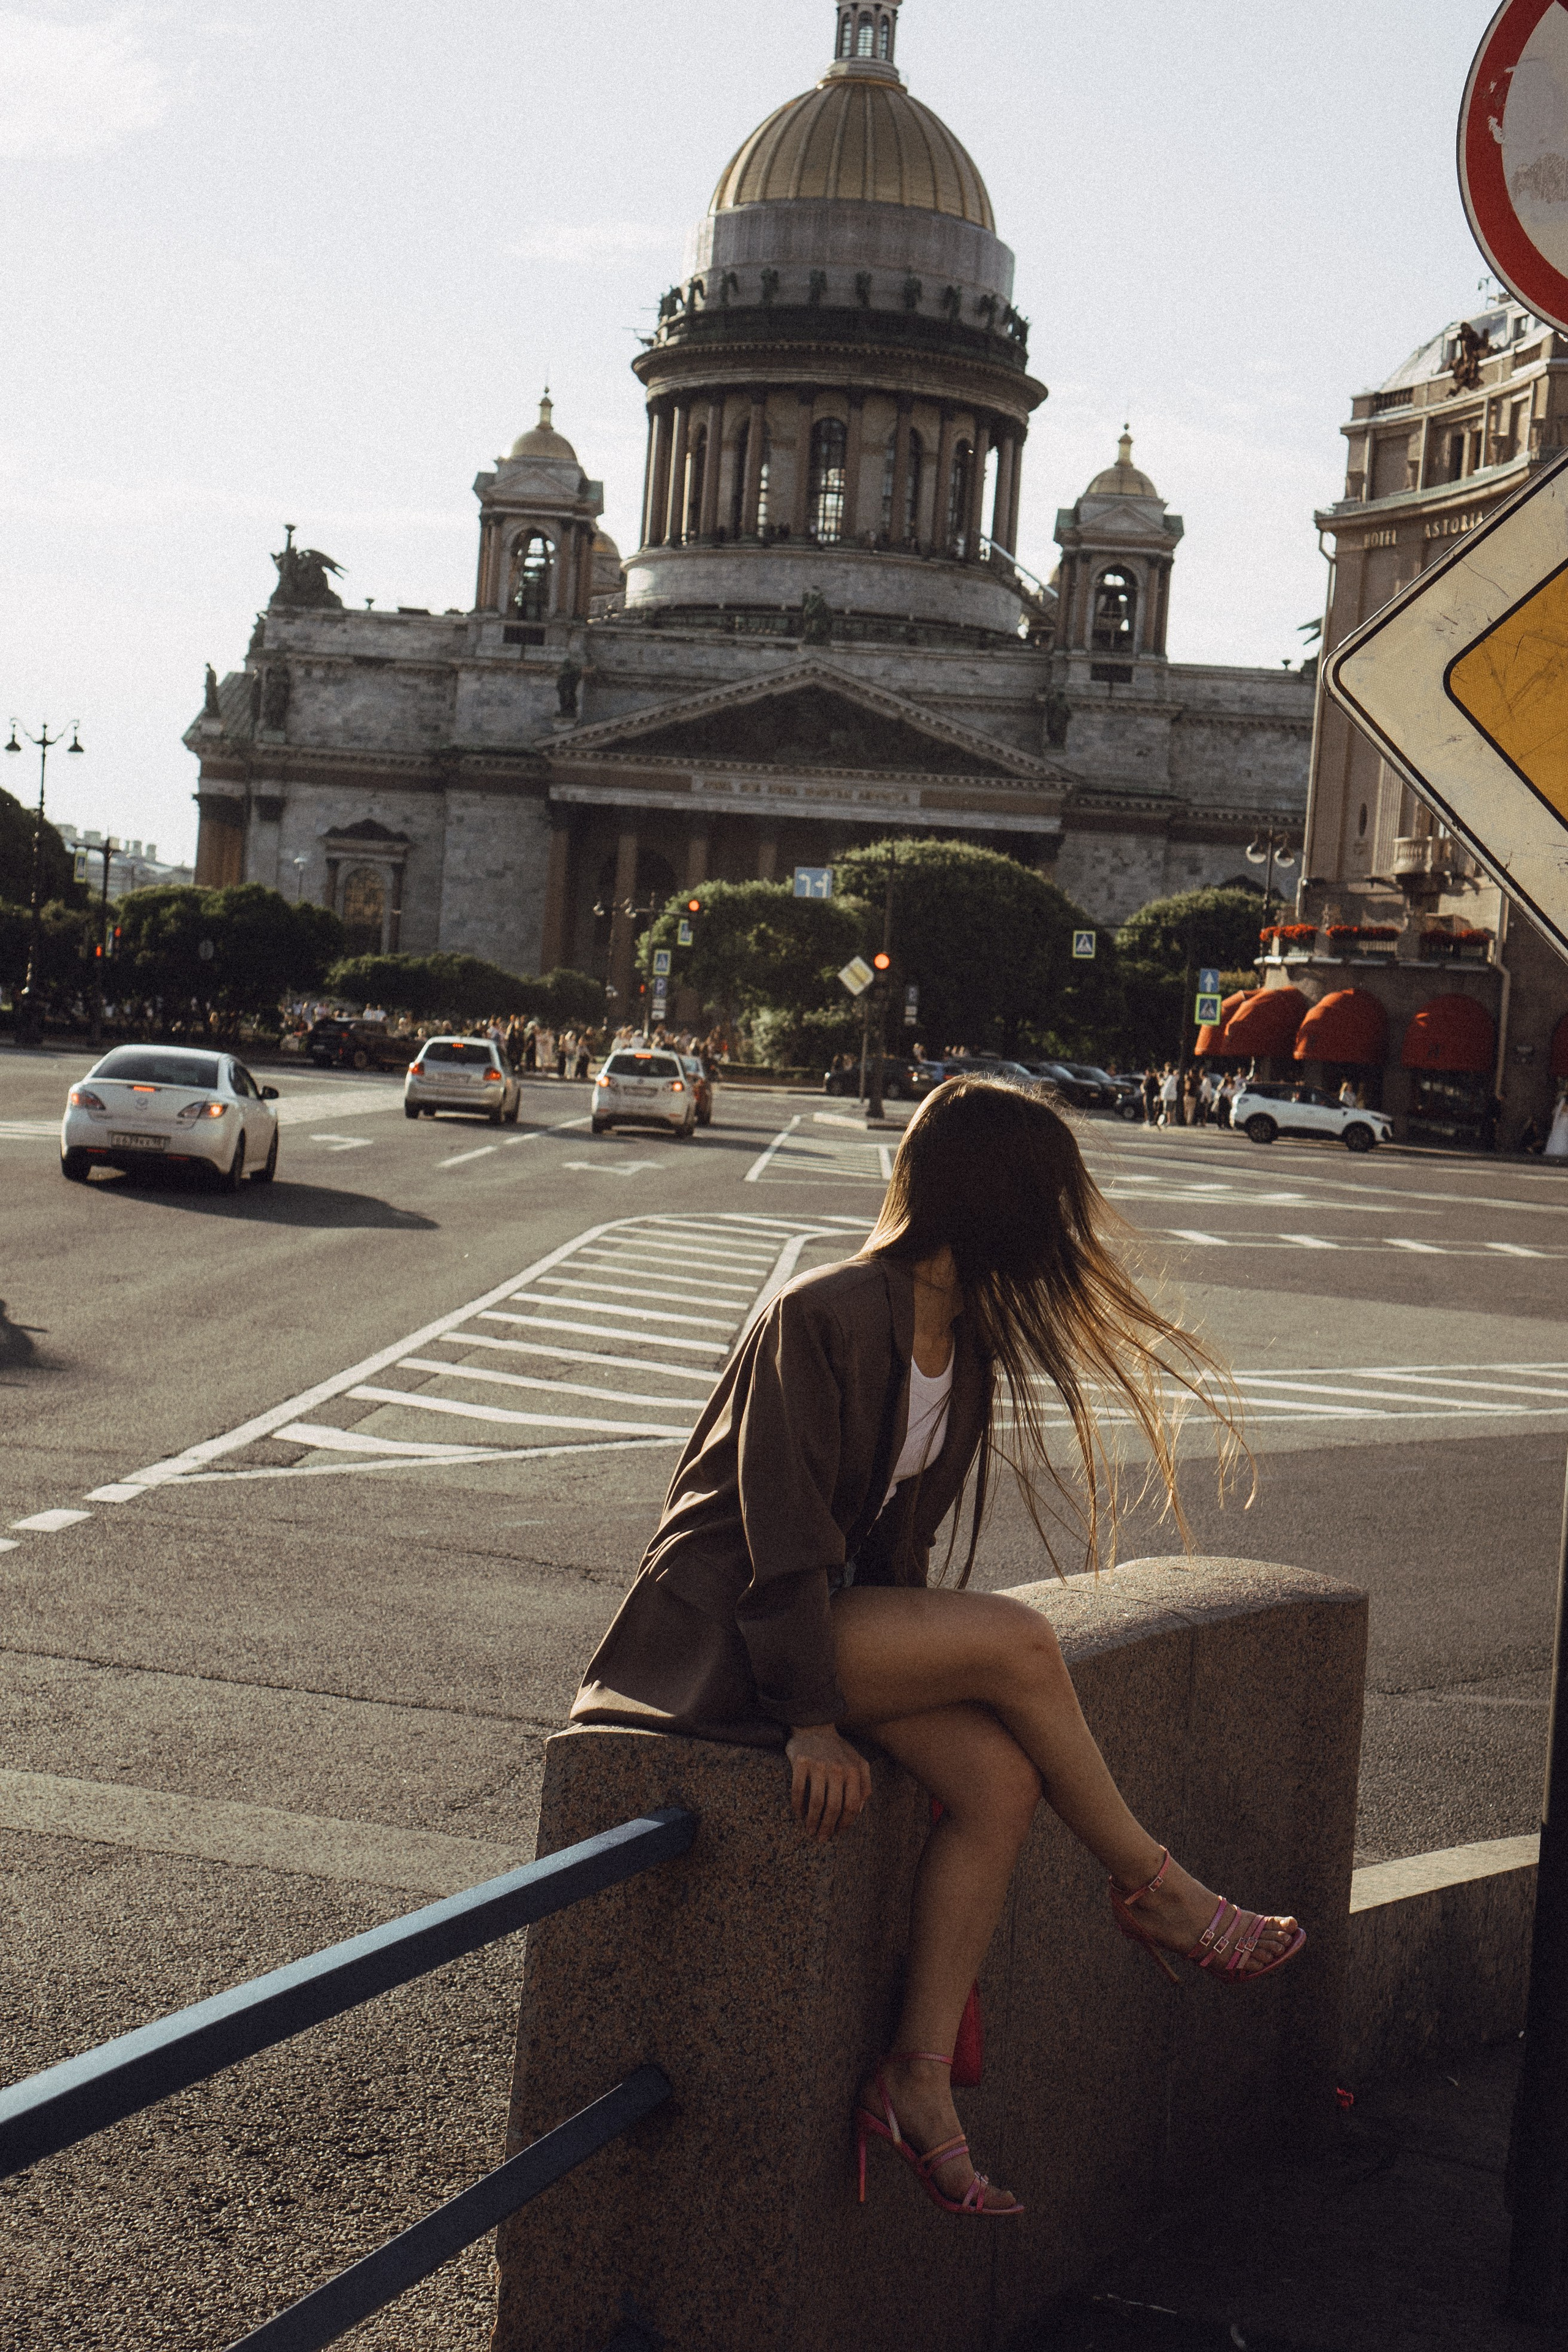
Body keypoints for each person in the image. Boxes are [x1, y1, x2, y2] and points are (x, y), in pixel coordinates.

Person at [571, 1078, 1302, 2220]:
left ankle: (914, 2082)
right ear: (996, 1197)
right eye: (1052, 1199)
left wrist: (864, 1691)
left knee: (1000, 1781)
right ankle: (1160, 1890)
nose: (1066, 1230)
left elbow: (895, 1554)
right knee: (1019, 1639)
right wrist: (813, 1715)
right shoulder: (825, 1310)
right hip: (727, 1634)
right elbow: (778, 1527)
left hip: (826, 1621)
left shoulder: (962, 1344)